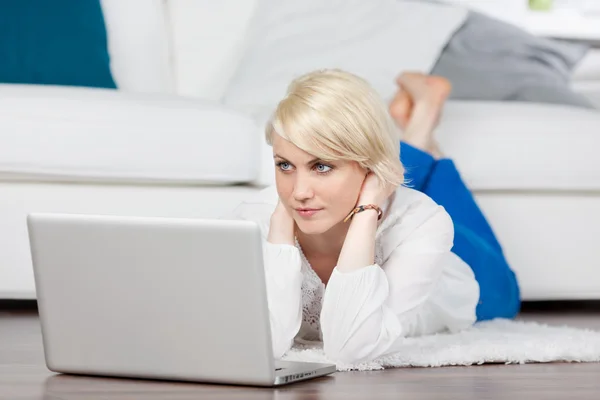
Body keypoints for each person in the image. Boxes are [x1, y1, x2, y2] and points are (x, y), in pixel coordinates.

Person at [229, 69, 520, 365]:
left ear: (372, 169)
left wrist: (367, 212)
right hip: (370, 195)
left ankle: (424, 118)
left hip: (477, 279)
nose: (299, 192)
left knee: (507, 290)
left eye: (321, 166)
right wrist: (279, 232)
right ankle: (420, 131)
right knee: (366, 190)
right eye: (285, 165)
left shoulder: (423, 222)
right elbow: (265, 342)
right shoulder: (255, 218)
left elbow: (350, 350)